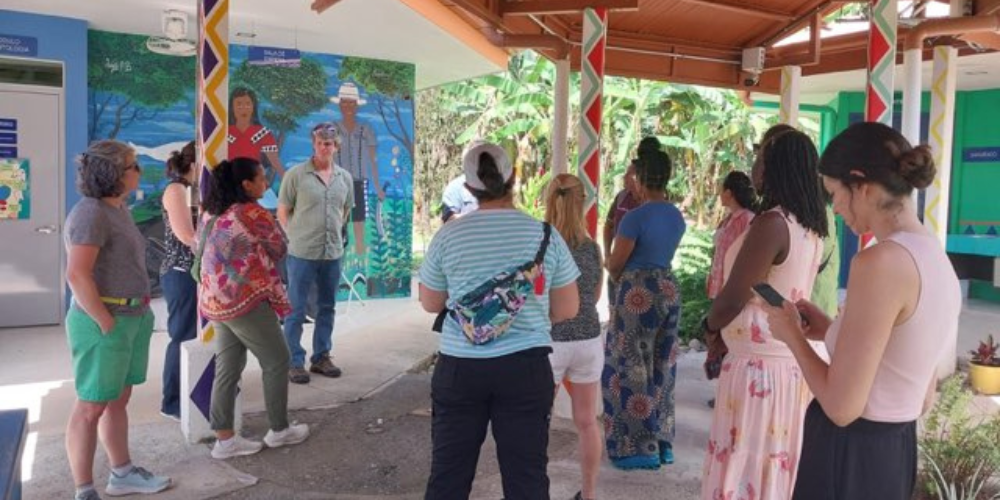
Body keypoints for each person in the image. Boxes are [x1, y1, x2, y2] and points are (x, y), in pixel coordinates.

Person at [765, 122, 960, 500]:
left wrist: (791, 336)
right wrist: (830, 330)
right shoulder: (934, 255)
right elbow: (918, 390)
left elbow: (841, 407)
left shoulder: (880, 262)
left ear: (861, 185)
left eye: (835, 193)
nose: (835, 208)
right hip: (896, 449)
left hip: (849, 452)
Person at [418, 140, 580, 500]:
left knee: (448, 478)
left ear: (470, 186)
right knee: (527, 479)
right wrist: (527, 311)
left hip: (460, 367)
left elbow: (431, 303)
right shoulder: (544, 236)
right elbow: (569, 307)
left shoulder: (449, 235)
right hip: (526, 369)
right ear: (514, 178)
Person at [699, 128, 829, 500]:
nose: (753, 165)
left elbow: (733, 296)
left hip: (759, 370)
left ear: (774, 166)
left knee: (746, 467)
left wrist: (709, 328)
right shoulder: (808, 226)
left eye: (759, 156)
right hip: (785, 366)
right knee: (770, 466)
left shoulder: (772, 223)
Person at [64, 140, 171, 500]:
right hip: (106, 319)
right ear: (113, 173)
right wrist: (104, 322)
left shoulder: (118, 208)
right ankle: (84, 489)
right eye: (133, 165)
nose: (139, 171)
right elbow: (77, 275)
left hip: (132, 316)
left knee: (117, 400)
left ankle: (122, 473)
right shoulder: (90, 213)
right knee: (91, 405)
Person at [197, 157, 310, 459]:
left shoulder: (212, 213)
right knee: (277, 359)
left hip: (215, 302)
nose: (266, 183)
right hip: (244, 299)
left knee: (228, 366)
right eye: (261, 178)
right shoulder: (252, 212)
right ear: (246, 185)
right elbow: (279, 247)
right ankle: (279, 430)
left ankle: (224, 441)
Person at [603, 148, 686, 471]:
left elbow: (617, 262)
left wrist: (609, 263)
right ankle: (663, 443)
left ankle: (638, 448)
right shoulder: (676, 216)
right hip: (668, 287)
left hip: (638, 291)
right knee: (663, 364)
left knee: (631, 366)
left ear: (639, 178)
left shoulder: (634, 217)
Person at [278, 123, 354, 384]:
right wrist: (294, 236)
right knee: (296, 309)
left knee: (327, 307)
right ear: (313, 144)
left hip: (332, 253)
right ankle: (293, 361)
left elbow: (345, 211)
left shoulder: (344, 178)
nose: (325, 147)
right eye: (320, 142)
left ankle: (321, 357)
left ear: (337, 146)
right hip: (301, 253)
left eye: (329, 143)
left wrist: (333, 232)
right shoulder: (296, 175)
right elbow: (283, 211)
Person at [544, 173, 603, 500]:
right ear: (582, 204)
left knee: (537, 423)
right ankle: (590, 494)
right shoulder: (592, 249)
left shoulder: (542, 246)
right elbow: (593, 296)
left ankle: (535, 489)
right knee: (587, 423)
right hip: (588, 340)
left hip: (550, 342)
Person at [159, 141, 198, 421]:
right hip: (181, 272)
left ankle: (194, 389)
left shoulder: (193, 190)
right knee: (182, 334)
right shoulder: (177, 190)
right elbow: (187, 235)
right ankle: (172, 401)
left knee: (197, 334)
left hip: (196, 273)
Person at [332, 82, 382, 259]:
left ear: (356, 105)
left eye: (351, 102)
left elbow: (373, 161)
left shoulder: (365, 130)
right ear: (339, 104)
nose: (348, 106)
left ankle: (360, 253)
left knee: (359, 218)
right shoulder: (333, 130)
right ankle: (339, 252)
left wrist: (378, 186)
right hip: (337, 181)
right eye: (344, 102)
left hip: (360, 181)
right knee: (339, 217)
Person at [706, 171, 757, 300]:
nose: (720, 194)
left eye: (721, 190)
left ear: (728, 193)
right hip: (720, 284)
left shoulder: (747, 219)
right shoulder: (728, 219)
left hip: (732, 288)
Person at [229, 87, 285, 187]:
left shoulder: (262, 133)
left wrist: (287, 182)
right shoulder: (224, 132)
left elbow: (275, 162)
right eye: (239, 104)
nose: (243, 108)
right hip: (229, 185)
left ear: (253, 107)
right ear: (232, 107)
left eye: (247, 104)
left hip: (253, 186)